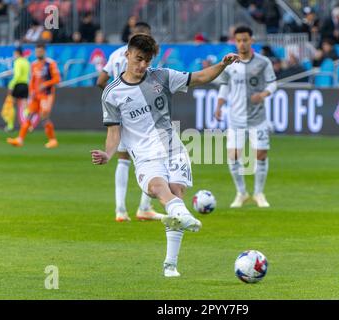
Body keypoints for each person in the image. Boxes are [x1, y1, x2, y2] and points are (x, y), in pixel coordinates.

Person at [91, 34, 239, 277]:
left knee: (176, 193)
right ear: (126, 54)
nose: (142, 66)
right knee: (159, 189)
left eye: (147, 61)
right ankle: (182, 214)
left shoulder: (163, 76)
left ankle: (170, 264)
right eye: (138, 59)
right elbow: (114, 133)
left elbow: (200, 77)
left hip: (173, 148)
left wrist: (223, 64)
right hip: (145, 156)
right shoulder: (112, 93)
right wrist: (108, 155)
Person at [96, 21, 161, 223]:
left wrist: (116, 99)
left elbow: (100, 81)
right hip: (142, 116)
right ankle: (144, 208)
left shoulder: (117, 54)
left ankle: (121, 210)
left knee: (123, 160)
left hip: (122, 115)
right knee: (154, 159)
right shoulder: (146, 59)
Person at [214, 26, 278, 208]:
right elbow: (224, 86)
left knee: (261, 154)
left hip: (258, 118)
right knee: (233, 155)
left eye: (245, 40)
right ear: (235, 42)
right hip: (236, 118)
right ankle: (241, 193)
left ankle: (259, 193)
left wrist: (263, 94)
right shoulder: (229, 63)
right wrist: (219, 106)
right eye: (239, 40)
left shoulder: (263, 62)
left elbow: (273, 84)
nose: (242, 43)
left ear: (252, 41)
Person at [7, 43, 61, 148]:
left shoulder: (50, 63)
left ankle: (52, 140)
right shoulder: (34, 64)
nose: (38, 53)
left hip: (47, 95)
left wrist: (45, 84)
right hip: (36, 95)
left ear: (44, 51)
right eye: (36, 51)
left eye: (40, 51)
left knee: (44, 116)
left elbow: (57, 79)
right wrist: (31, 92)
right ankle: (20, 140)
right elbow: (32, 80)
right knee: (29, 115)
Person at [5, 47, 31, 131]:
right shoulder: (26, 62)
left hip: (18, 85)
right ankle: (28, 125)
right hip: (25, 85)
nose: (13, 55)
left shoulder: (17, 62)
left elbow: (17, 75)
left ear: (17, 53)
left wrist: (11, 85)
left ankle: (10, 126)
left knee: (12, 105)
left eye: (14, 53)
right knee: (25, 106)